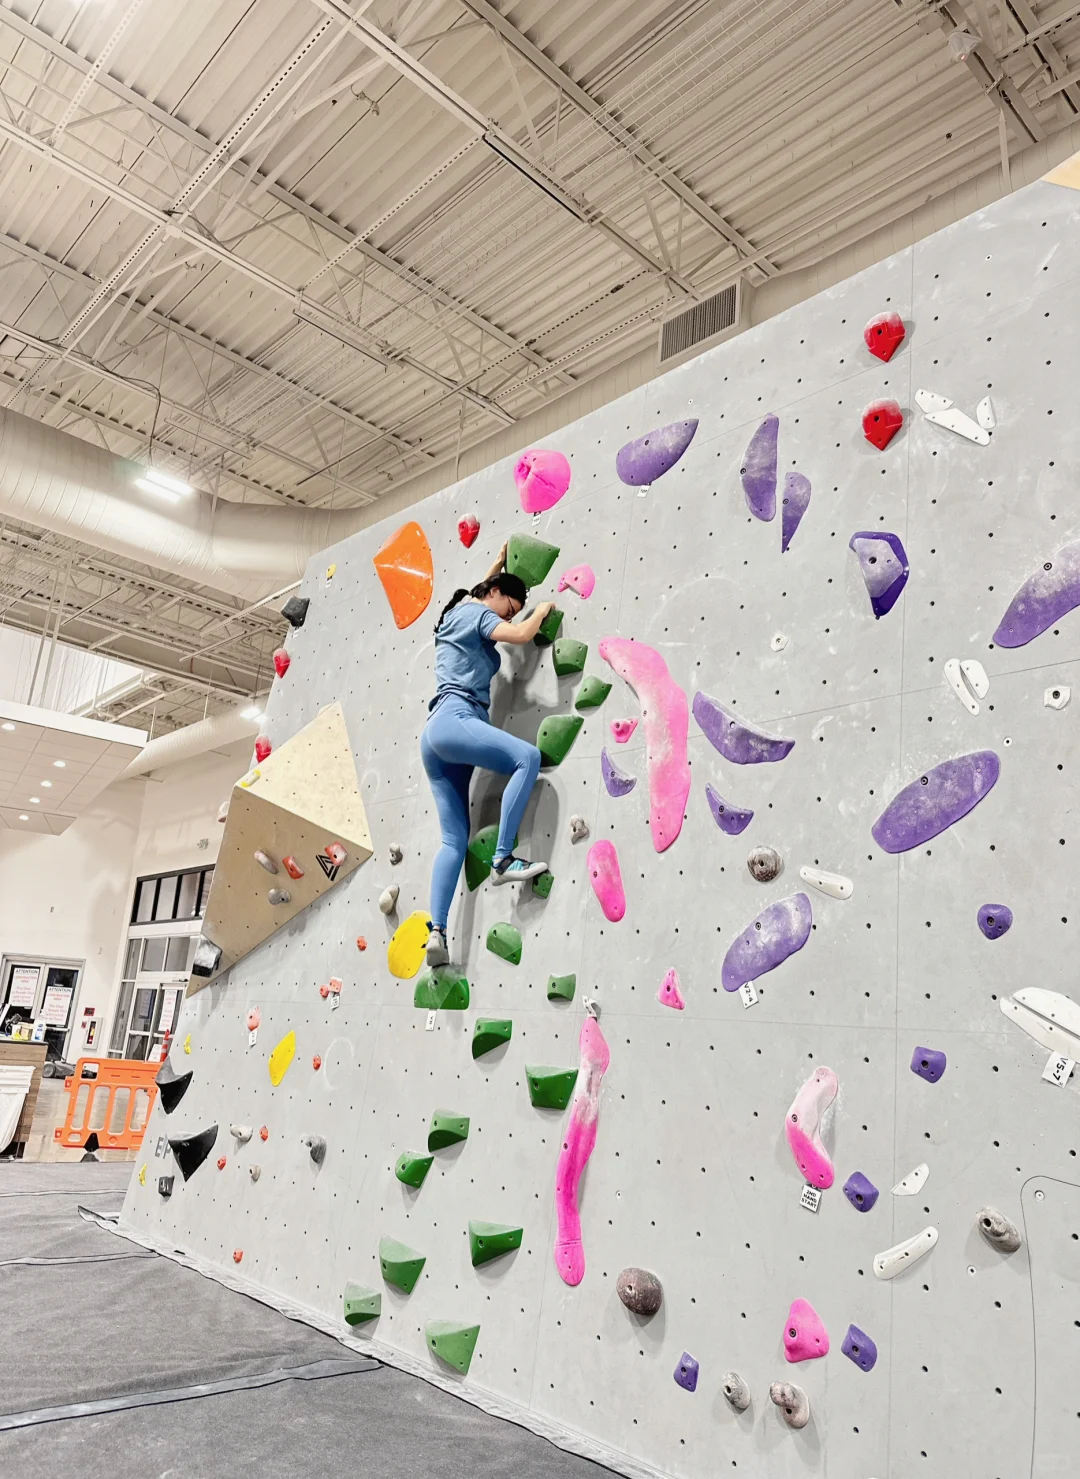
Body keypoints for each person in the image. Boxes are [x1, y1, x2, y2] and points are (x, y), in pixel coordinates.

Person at [422, 543, 555, 966]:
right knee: (527, 758)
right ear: (493, 593)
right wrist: (543, 609)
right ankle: (502, 858)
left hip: (436, 737)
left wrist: (497, 565)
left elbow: (483, 598)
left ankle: (437, 932)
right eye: (508, 608)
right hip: (457, 718)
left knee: (452, 840)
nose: (508, 618)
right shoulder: (478, 613)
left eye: (515, 612)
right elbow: (519, 636)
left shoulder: (458, 611)